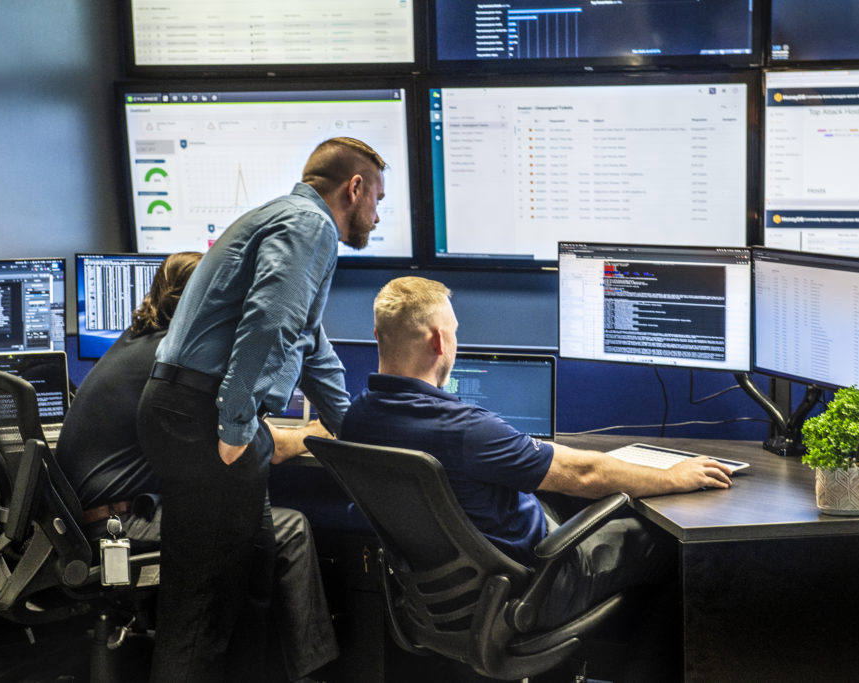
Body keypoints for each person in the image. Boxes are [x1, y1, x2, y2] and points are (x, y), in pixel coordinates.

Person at [340, 276, 734, 630]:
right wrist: (674, 476)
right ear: (439, 341)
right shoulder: (466, 429)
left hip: (439, 594)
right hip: (530, 586)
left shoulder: (355, 420)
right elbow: (584, 474)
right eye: (455, 332)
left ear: (378, 335)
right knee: (668, 541)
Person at [137, 137, 386, 681]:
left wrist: (357, 432)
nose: (376, 214)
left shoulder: (284, 220)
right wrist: (236, 424)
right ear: (355, 186)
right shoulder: (309, 225)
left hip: (184, 410)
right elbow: (270, 322)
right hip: (203, 419)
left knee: (244, 586)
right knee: (200, 611)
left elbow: (309, 346)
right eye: (377, 200)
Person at [55, 252, 338, 682]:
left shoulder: (139, 342)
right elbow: (265, 448)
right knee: (290, 530)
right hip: (117, 527)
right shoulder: (176, 367)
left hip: (94, 519)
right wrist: (323, 430)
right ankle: (310, 675)